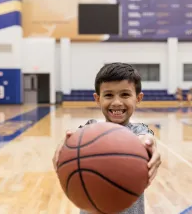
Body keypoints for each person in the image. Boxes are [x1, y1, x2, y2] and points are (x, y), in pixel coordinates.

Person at [52, 62, 162, 214]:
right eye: (109, 95)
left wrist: (148, 146)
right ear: (97, 99)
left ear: (138, 98)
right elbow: (71, 140)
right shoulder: (89, 130)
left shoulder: (138, 131)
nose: (116, 102)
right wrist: (62, 148)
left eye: (125, 94)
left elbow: (146, 139)